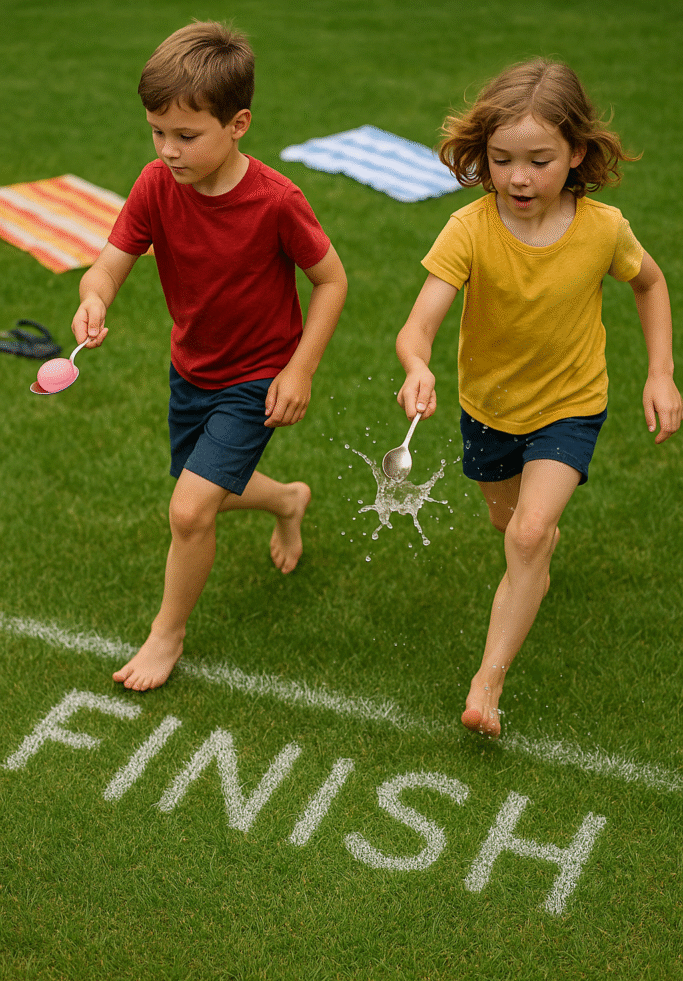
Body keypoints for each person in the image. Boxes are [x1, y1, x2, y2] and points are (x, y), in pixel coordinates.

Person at [395, 58, 681, 738]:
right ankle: (532, 566)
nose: (518, 177)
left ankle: (485, 685)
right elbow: (419, 324)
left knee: (527, 533)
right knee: (510, 530)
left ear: (575, 153)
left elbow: (649, 284)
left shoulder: (603, 228)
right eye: (501, 160)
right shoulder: (467, 230)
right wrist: (416, 366)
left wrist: (659, 373)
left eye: (539, 160)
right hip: (487, 410)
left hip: (570, 404)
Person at [71, 21, 347, 691]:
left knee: (190, 510)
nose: (167, 150)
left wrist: (299, 368)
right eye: (156, 132)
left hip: (256, 376)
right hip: (192, 367)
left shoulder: (277, 202)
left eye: (185, 136)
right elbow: (109, 264)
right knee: (202, 491)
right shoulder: (154, 185)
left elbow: (331, 281)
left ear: (238, 124)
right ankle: (286, 500)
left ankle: (167, 635)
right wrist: (94, 297)